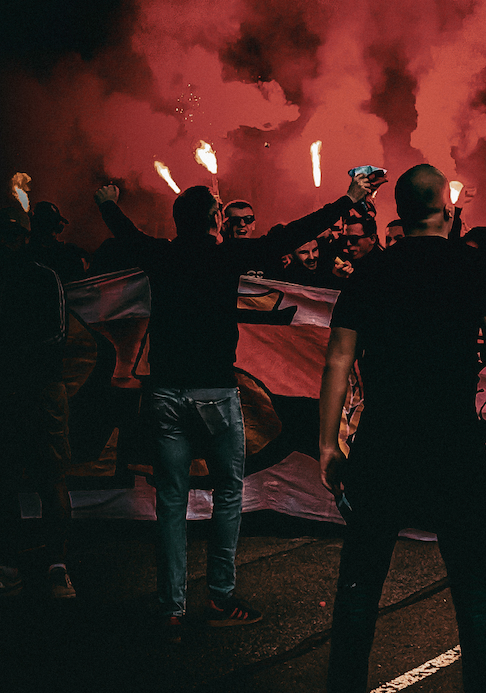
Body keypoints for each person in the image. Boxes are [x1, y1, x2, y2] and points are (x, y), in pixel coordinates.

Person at [94, 173, 373, 639]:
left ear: (178, 222)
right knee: (227, 494)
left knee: (170, 501)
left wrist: (106, 203)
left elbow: (126, 234)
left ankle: (172, 609)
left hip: (165, 394)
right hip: (216, 395)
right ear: (214, 221)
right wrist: (347, 200)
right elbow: (291, 236)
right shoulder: (228, 256)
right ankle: (221, 598)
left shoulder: (160, 254)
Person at [318, 164, 486, 693]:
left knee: (361, 581)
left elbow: (338, 360)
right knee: (473, 588)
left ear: (399, 211)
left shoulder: (369, 270)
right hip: (452, 447)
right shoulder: (475, 267)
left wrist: (327, 444)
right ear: (447, 205)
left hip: (383, 444)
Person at [1, 207, 76, 599]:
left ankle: (56, 566)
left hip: (40, 388)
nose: (9, 241)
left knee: (51, 479)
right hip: (23, 389)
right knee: (9, 480)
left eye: (14, 234)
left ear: (26, 237)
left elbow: (57, 336)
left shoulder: (45, 278)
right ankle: (11, 565)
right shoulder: (41, 275)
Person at [27, 201, 88, 283]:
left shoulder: (70, 251)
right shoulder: (27, 256)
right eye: (48, 226)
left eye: (55, 226)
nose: (53, 233)